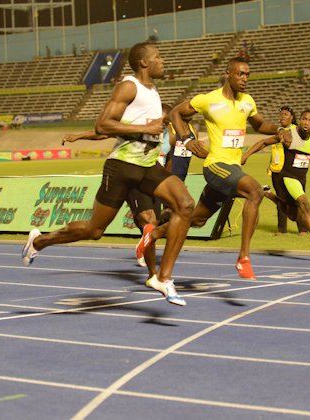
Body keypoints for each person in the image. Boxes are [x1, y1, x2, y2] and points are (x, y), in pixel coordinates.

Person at [22, 42, 195, 306]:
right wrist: (144, 128)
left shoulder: (153, 90)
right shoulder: (128, 86)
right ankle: (41, 240)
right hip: (122, 168)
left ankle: (162, 277)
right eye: (158, 57)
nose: (163, 61)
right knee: (94, 230)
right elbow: (102, 125)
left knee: (185, 204)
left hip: (148, 167)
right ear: (143, 62)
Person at [137, 57, 281, 279]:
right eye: (240, 74)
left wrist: (279, 129)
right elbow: (176, 112)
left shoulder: (247, 101)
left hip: (232, 169)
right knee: (254, 190)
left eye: (247, 75)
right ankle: (244, 258)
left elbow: (260, 124)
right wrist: (186, 138)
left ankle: (153, 235)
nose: (244, 79)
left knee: (196, 220)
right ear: (227, 74)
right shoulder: (208, 100)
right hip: (216, 166)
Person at [61, 103, 173, 274]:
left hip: (154, 179)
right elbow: (104, 133)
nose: (162, 124)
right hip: (133, 175)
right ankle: (151, 269)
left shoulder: (170, 138)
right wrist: (78, 136)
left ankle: (147, 258)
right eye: (160, 120)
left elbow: (168, 161)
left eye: (166, 122)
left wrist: (167, 181)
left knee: (151, 224)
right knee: (148, 220)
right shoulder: (139, 127)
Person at [242, 110, 310, 254]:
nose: (306, 122)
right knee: (305, 205)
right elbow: (264, 142)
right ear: (300, 120)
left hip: (301, 179)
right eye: (304, 119)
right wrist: (245, 156)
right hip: (288, 177)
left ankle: (268, 194)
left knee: (293, 215)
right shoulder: (288, 135)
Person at [268, 107, 308, 236]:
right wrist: (270, 163)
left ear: (292, 117)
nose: (282, 117)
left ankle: (302, 229)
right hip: (277, 170)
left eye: (285, 114)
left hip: (292, 171)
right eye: (281, 115)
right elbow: (276, 149)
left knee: (297, 199)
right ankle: (281, 229)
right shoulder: (279, 131)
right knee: (280, 199)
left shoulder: (296, 131)